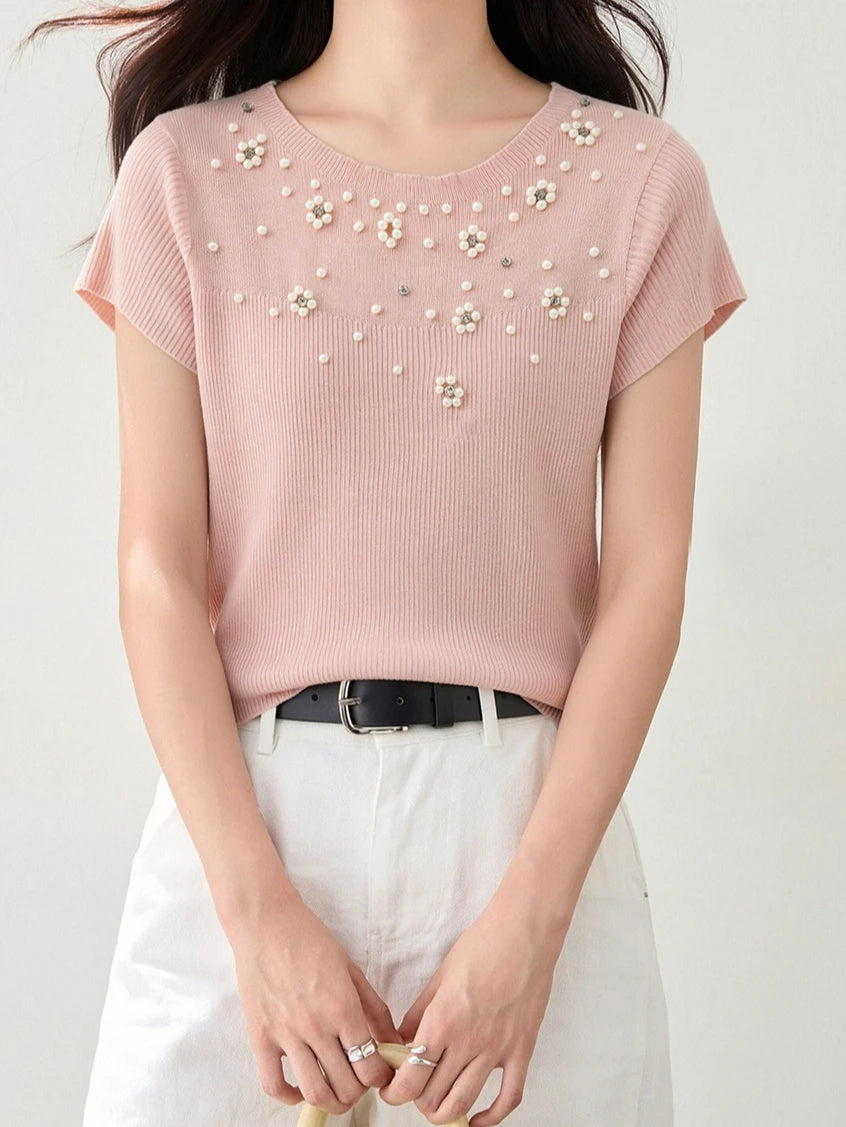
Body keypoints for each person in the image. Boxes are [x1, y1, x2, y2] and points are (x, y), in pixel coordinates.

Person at [53, 0, 747, 1123]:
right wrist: (257, 918)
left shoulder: (640, 182)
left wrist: (532, 926)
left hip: (532, 837)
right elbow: (157, 574)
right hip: (246, 833)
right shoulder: (181, 173)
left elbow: (646, 582)